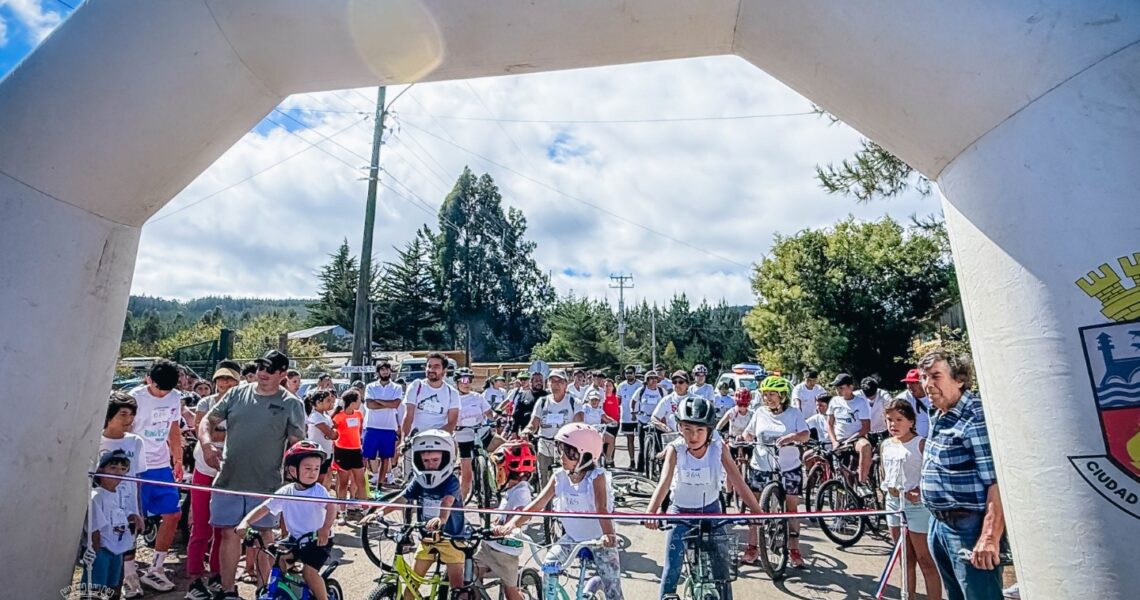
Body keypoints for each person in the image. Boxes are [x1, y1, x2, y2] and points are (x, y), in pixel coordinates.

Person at [199, 350, 307, 600]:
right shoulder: (237, 393)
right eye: (260, 367)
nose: (262, 373)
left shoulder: (292, 403)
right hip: (229, 480)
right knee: (229, 533)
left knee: (263, 537)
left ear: (282, 374)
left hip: (266, 484)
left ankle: (264, 590)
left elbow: (296, 445)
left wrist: (295, 480)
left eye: (269, 369)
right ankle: (228, 591)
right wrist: (206, 445)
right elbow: (207, 420)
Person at [644, 396, 760, 599]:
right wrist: (651, 512)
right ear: (679, 427)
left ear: (709, 431)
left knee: (722, 572)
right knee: (672, 569)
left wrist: (756, 511)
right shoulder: (675, 449)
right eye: (687, 429)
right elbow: (664, 483)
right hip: (680, 514)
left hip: (711, 513)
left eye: (699, 430)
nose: (693, 436)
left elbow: (737, 479)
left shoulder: (718, 448)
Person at [494, 424, 623, 600]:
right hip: (572, 537)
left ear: (585, 455)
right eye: (560, 450)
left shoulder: (596, 476)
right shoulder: (559, 476)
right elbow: (537, 504)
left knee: (612, 589)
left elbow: (601, 508)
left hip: (599, 539)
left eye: (568, 452)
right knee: (549, 564)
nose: (561, 456)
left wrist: (609, 534)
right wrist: (511, 524)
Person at [919, 350, 1006, 600]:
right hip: (940, 524)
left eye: (936, 376)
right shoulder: (939, 414)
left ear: (959, 379)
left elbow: (997, 482)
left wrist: (989, 536)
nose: (928, 385)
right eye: (925, 377)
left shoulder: (974, 417)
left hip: (969, 528)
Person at [236, 442, 336, 600]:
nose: (313, 473)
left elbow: (332, 507)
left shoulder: (318, 491)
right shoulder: (286, 492)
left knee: (309, 572)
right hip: (295, 538)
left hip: (317, 540)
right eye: (307, 468)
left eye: (316, 469)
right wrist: (245, 523)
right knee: (277, 561)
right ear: (292, 470)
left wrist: (325, 528)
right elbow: (264, 508)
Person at [370, 430, 467, 590]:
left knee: (457, 587)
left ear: (447, 457)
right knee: (412, 584)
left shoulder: (451, 481)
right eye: (426, 460)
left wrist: (441, 519)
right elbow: (402, 498)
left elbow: (447, 501)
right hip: (427, 538)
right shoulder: (419, 480)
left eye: (435, 460)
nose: (430, 464)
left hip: (451, 539)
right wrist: (379, 512)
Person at [185, 362, 241, 600]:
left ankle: (217, 575)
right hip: (204, 470)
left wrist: (217, 431)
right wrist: (220, 433)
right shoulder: (206, 402)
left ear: (237, 382)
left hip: (229, 473)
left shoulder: (241, 405)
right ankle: (195, 579)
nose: (224, 384)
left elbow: (236, 433)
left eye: (229, 379)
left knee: (223, 527)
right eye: (220, 379)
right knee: (200, 526)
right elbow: (201, 429)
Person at [127, 359, 183, 592]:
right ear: (148, 379)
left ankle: (157, 567)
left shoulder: (174, 397)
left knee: (172, 515)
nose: (162, 394)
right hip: (135, 465)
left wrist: (177, 458)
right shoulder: (135, 398)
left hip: (161, 466)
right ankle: (129, 573)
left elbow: (173, 428)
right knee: (131, 519)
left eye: (166, 390)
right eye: (158, 388)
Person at [742, 375, 810, 567]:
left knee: (791, 508)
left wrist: (792, 437)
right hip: (761, 465)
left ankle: (794, 550)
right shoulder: (759, 413)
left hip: (788, 466)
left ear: (783, 396)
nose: (768, 398)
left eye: (772, 394)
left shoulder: (794, 414)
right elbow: (749, 432)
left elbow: (805, 435)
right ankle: (752, 547)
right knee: (754, 507)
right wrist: (745, 438)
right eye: (765, 395)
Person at [881, 398, 941, 600]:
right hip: (894, 504)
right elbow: (885, 473)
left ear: (911, 422)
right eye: (889, 420)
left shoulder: (921, 444)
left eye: (899, 419)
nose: (893, 424)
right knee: (904, 558)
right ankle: (909, 596)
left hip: (916, 507)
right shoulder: (886, 445)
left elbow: (934, 475)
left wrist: (920, 492)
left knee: (924, 558)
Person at [475, 441, 537, 600]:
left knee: (511, 592)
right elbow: (502, 515)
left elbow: (521, 513)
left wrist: (508, 524)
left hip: (506, 553)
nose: (496, 474)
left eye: (499, 470)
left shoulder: (521, 491)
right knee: (471, 577)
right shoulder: (509, 490)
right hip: (489, 546)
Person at [100, 393, 146, 599]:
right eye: (123, 414)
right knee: (101, 556)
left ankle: (126, 584)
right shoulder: (95, 440)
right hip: (101, 509)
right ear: (109, 415)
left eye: (132, 414)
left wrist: (137, 511)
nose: (129, 419)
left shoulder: (135, 442)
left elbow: (137, 478)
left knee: (123, 553)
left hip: (127, 508)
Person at [83, 450, 136, 591]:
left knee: (113, 584)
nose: (118, 473)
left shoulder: (118, 493)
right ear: (101, 470)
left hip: (116, 548)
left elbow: (121, 512)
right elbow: (94, 528)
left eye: (123, 469)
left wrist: (132, 516)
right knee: (96, 587)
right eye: (113, 468)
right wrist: (96, 551)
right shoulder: (96, 497)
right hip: (102, 549)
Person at [524, 369, 577, 491]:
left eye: (560, 381)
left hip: (564, 447)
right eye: (553, 381)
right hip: (544, 444)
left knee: (565, 477)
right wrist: (527, 430)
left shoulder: (573, 402)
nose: (556, 384)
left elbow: (578, 421)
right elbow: (534, 423)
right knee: (544, 479)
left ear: (565, 384)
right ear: (548, 384)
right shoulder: (542, 402)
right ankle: (546, 507)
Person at [454, 368, 500, 499]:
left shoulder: (477, 397)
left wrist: (496, 420)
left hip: (481, 432)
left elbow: (489, 414)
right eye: (463, 380)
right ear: (457, 383)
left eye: (469, 380)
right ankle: (461, 502)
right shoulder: (453, 399)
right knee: (466, 476)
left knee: (506, 447)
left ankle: (502, 482)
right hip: (463, 436)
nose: (466, 383)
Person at [826, 373, 874, 497]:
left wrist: (852, 439)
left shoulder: (860, 403)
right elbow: (830, 424)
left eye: (841, 387)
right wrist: (834, 441)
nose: (838, 390)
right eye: (836, 388)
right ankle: (847, 500)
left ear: (850, 387)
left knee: (865, 446)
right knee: (845, 475)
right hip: (840, 440)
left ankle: (862, 481)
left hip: (856, 438)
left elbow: (866, 427)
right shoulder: (834, 401)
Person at [401, 352, 461, 438]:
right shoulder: (416, 386)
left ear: (444, 370)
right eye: (429, 366)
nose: (431, 369)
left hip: (440, 438)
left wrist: (434, 437)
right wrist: (404, 439)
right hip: (416, 437)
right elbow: (408, 416)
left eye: (436, 366)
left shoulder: (452, 393)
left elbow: (452, 423)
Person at [363, 358, 402, 489]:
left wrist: (378, 401)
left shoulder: (396, 387)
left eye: (387, 369)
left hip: (389, 427)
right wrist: (388, 403)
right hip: (372, 426)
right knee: (366, 456)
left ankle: (380, 485)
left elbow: (396, 404)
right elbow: (369, 405)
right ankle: (361, 484)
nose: (385, 372)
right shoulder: (371, 386)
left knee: (386, 458)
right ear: (378, 372)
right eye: (382, 369)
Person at [331, 389, 366, 517]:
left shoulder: (358, 414)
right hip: (342, 451)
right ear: (352, 402)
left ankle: (366, 509)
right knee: (343, 483)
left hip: (356, 451)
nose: (360, 402)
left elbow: (359, 430)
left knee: (360, 482)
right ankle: (342, 511)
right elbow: (332, 431)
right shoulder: (339, 416)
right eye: (358, 400)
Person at [631, 370, 666, 471]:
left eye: (655, 378)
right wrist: (633, 412)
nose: (654, 380)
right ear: (647, 380)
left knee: (659, 446)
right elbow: (633, 401)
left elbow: (666, 403)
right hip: (643, 419)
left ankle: (661, 467)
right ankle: (641, 469)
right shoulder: (641, 390)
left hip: (657, 420)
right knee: (642, 446)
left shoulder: (661, 391)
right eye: (651, 378)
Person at [304, 389, 338, 489]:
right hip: (317, 453)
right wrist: (335, 432)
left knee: (325, 477)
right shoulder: (316, 417)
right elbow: (332, 434)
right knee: (317, 479)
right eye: (328, 401)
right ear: (318, 402)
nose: (330, 403)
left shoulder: (325, 416)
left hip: (326, 452)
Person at [574, 389, 617, 460]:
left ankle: (608, 457)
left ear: (599, 401)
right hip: (587, 430)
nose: (594, 402)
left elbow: (605, 417)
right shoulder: (585, 407)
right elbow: (580, 415)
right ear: (589, 400)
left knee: (611, 439)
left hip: (598, 431)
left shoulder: (599, 409)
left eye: (596, 400)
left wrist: (613, 421)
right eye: (592, 400)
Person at [651, 370, 694, 434]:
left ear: (687, 384)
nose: (677, 384)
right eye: (674, 382)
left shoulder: (695, 399)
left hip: (691, 436)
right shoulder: (667, 400)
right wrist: (664, 427)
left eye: (680, 382)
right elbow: (654, 418)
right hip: (672, 436)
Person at [616, 366, 642, 468]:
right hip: (626, 417)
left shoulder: (640, 385)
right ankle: (632, 461)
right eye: (626, 373)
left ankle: (641, 461)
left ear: (634, 373)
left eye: (630, 372)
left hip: (639, 416)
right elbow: (618, 402)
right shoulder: (621, 386)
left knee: (641, 439)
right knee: (629, 439)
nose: (628, 375)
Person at [897, 368, 932, 438]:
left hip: (931, 439)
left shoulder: (933, 395)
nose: (910, 386)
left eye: (913, 383)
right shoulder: (902, 400)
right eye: (908, 383)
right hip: (913, 440)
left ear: (922, 383)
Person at [857, 376, 891, 446]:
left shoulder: (885, 396)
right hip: (864, 431)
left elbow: (890, 414)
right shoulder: (856, 396)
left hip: (884, 429)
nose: (870, 398)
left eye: (872, 395)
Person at [601, 379, 622, 463]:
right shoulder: (601, 398)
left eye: (610, 385)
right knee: (604, 441)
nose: (608, 387)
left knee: (612, 441)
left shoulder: (616, 398)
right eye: (606, 385)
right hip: (604, 423)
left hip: (615, 422)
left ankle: (610, 459)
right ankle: (603, 458)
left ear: (613, 387)